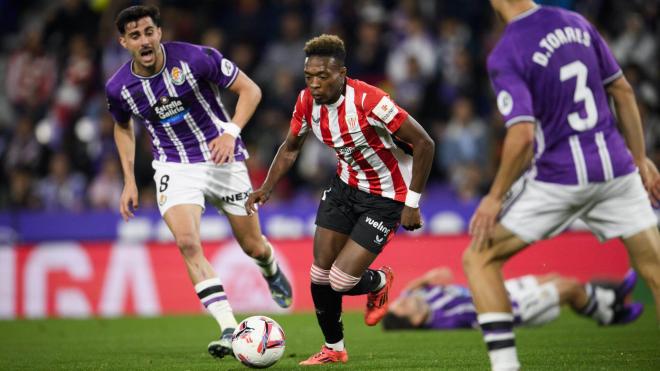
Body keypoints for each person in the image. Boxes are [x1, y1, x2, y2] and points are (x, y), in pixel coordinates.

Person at [462, 2, 660, 371]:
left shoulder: (508, 50)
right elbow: (624, 91)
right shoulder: (575, 22)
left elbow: (521, 136)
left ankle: (506, 367)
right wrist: (640, 157)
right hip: (616, 169)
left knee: (479, 258)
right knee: (656, 270)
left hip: (560, 175)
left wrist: (493, 197)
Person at [105, 5, 292, 360]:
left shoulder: (195, 58)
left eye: (148, 32)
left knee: (253, 246)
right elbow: (122, 126)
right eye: (134, 36)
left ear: (159, 32)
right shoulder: (119, 87)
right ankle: (228, 327)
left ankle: (269, 267)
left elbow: (250, 90)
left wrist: (230, 132)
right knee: (188, 242)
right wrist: (129, 180)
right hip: (174, 167)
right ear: (123, 42)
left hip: (223, 159)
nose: (143, 41)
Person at [246, 34, 435, 365]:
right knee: (319, 275)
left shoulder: (371, 102)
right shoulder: (306, 102)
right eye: (309, 77)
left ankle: (379, 280)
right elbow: (291, 147)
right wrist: (267, 186)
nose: (315, 84)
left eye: (323, 76)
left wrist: (413, 203)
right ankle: (334, 348)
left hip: (386, 197)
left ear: (342, 73)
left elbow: (424, 144)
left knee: (341, 281)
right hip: (345, 187)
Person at [382, 267, 642, 331]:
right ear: (415, 320)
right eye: (404, 306)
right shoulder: (442, 320)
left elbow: (409, 289)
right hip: (509, 306)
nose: (405, 299)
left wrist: (428, 276)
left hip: (500, 288)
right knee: (569, 289)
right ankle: (611, 309)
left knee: (553, 276)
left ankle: (613, 297)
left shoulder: (418, 299)